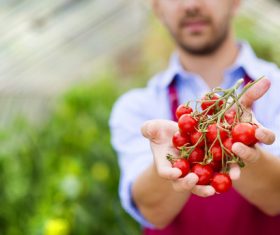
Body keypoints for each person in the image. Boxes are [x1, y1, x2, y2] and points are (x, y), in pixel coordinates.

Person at [109, 0, 280, 234]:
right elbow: (153, 211)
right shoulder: (136, 108)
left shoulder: (275, 90)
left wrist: (245, 149)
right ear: (157, 7)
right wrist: (174, 162)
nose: (191, 5)